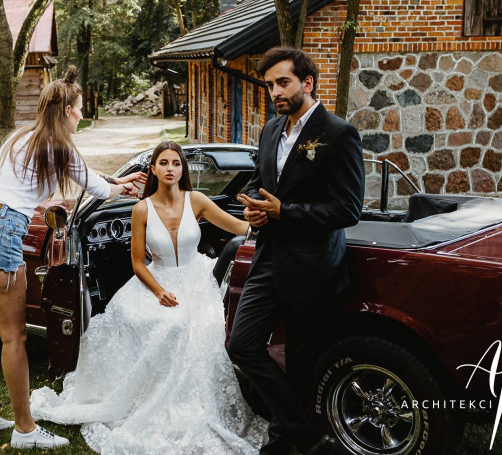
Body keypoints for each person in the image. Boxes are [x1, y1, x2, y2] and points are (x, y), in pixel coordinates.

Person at [29, 140, 269, 454]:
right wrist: (158, 291)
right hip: (156, 281)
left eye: (176, 163)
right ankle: (143, 397)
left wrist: (260, 220)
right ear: (153, 169)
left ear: (183, 169)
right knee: (154, 322)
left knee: (185, 327)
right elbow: (137, 263)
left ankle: (188, 405)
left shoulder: (197, 200)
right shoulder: (141, 209)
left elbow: (239, 227)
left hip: (197, 279)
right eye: (164, 163)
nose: (171, 169)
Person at [0, 65, 143, 450]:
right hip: (1, 229)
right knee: (15, 336)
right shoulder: (59, 146)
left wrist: (114, 180)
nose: (81, 115)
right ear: (67, 111)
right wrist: (121, 187)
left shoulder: (20, 137)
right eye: (79, 109)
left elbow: (89, 176)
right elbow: (97, 189)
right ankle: (25, 430)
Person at [229, 46, 365, 455]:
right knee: (242, 345)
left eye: (283, 82)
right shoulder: (271, 130)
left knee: (303, 363)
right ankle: (303, 430)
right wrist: (254, 207)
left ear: (307, 83)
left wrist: (283, 211)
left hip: (312, 267)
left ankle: (283, 440)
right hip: (268, 258)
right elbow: (259, 181)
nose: (275, 91)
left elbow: (347, 209)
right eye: (270, 85)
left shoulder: (338, 133)